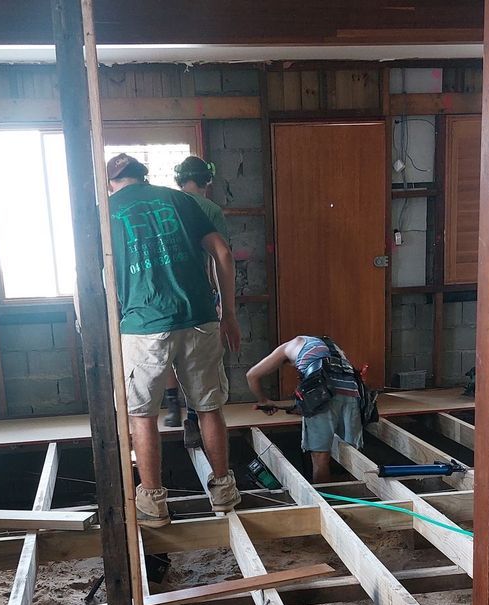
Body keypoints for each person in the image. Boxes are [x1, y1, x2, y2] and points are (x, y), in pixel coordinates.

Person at [106, 153, 241, 527]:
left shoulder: (106, 211)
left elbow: (96, 275)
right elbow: (224, 253)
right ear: (143, 175)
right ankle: (223, 491)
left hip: (144, 322)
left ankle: (153, 502)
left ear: (111, 183)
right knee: (208, 406)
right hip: (198, 317)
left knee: (142, 415)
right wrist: (228, 314)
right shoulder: (180, 199)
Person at [162, 155, 232, 449]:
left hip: (161, 300)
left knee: (168, 354)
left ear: (179, 179)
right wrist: (224, 303)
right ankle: (193, 418)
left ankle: (170, 407)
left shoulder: (164, 206)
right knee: (199, 365)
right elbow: (219, 257)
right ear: (207, 180)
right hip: (198, 299)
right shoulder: (210, 209)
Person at [246, 335, 365, 482]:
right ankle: (354, 498)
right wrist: (278, 404)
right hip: (353, 391)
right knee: (352, 457)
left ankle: (324, 501)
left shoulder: (288, 346)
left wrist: (263, 400)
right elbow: (321, 396)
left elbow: (251, 376)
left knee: (320, 457)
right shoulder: (330, 348)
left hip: (325, 394)